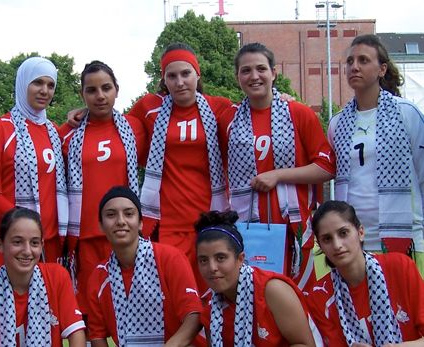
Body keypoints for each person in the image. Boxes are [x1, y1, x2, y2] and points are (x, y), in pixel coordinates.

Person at [220, 42, 335, 290]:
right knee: (254, 300)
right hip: (246, 227)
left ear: (274, 73)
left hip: (291, 228)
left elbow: (326, 167)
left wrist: (278, 175)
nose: (254, 76)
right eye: (246, 70)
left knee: (297, 300)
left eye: (261, 68)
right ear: (237, 76)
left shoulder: (299, 113)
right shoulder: (228, 119)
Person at [124, 43, 233, 292]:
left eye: (186, 73)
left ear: (198, 74)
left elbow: (254, 111)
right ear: (164, 80)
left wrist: (282, 98)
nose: (180, 82)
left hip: (209, 216)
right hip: (167, 221)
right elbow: (111, 121)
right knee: (175, 294)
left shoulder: (220, 107)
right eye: (171, 76)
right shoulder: (149, 107)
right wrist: (84, 111)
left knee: (211, 291)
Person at [328, 34, 424, 276]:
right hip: (354, 242)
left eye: (363, 60)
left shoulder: (407, 113)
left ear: (382, 69)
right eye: (350, 61)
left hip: (405, 236)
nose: (354, 67)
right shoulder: (337, 123)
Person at [58, 60, 147, 316]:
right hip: (85, 235)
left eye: (106, 88)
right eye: (91, 90)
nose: (100, 96)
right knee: (89, 311)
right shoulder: (67, 133)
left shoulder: (134, 127)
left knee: (131, 308)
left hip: (125, 233)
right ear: (82, 94)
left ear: (117, 89)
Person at [0, 57, 68, 272]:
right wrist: (22, 224)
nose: (44, 91)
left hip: (49, 241)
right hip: (12, 239)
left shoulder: (55, 132)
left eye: (50, 85)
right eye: (37, 83)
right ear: (22, 83)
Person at [86, 186, 203, 346]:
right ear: (100, 225)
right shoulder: (98, 277)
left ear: (141, 223)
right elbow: (97, 336)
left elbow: (194, 315)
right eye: (111, 215)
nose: (120, 221)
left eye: (129, 214)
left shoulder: (169, 258)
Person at [0, 207, 86, 346]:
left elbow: (76, 334)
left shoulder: (57, 277)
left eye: (34, 243)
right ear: (0, 244)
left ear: (42, 245)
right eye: (17, 242)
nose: (27, 251)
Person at [306, 200, 424, 346]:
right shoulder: (318, 296)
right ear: (320, 245)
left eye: (343, 233)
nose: (337, 245)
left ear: (361, 232)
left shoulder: (400, 267)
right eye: (327, 239)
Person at [195, 210, 316, 346]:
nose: (212, 268)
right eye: (203, 260)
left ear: (240, 259)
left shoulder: (272, 290)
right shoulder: (211, 309)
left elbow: (305, 344)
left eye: (221, 258)